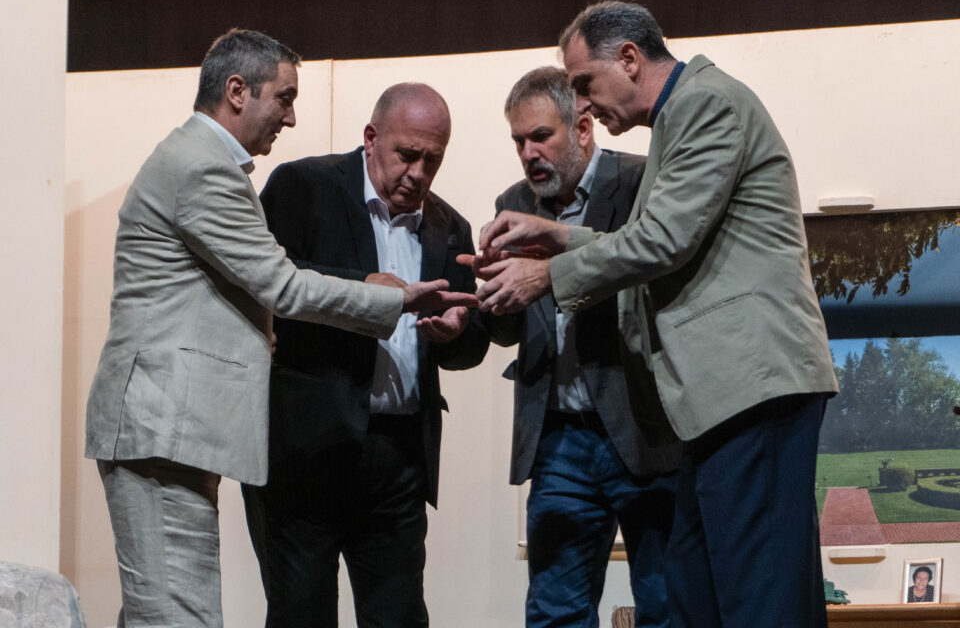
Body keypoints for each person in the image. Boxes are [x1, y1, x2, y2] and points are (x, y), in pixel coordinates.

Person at [84, 32, 475, 628]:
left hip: (179, 429)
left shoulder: (202, 161)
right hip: (170, 426)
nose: (291, 118)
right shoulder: (205, 168)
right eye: (285, 98)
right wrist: (391, 298)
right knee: (177, 617)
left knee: (162, 613)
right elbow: (284, 286)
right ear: (237, 91)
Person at [468, 1, 839, 628]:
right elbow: (655, 238)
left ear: (630, 59)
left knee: (759, 598)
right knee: (696, 593)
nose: (584, 103)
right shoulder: (678, 119)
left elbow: (662, 241)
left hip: (751, 386)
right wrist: (557, 238)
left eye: (585, 82)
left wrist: (549, 273)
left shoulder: (705, 103)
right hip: (712, 400)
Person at [241, 82, 489, 627]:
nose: (418, 173)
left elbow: (471, 342)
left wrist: (456, 334)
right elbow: (267, 284)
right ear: (371, 137)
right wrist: (367, 290)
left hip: (398, 459)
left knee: (399, 617)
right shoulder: (304, 186)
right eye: (407, 154)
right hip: (307, 450)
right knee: (301, 616)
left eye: (432, 160)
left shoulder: (449, 227)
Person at [485, 66, 679, 628]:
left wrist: (550, 273)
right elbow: (513, 328)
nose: (528, 154)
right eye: (518, 141)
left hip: (645, 427)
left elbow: (655, 278)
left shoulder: (641, 182)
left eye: (540, 136)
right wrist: (488, 301)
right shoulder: (513, 201)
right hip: (559, 438)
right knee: (554, 611)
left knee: (666, 603)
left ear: (583, 128)